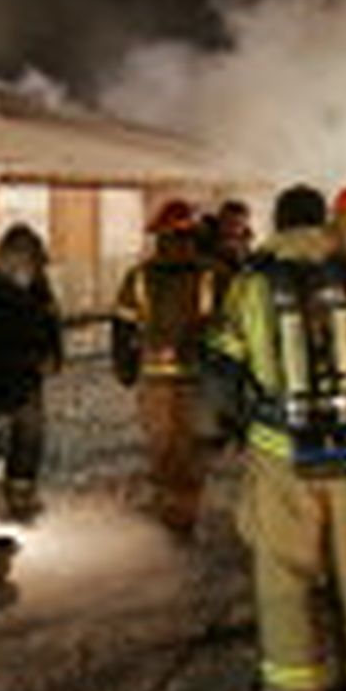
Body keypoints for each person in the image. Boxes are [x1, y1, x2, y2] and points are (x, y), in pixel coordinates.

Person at [207, 183, 346, 691]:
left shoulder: (251, 283)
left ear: (278, 222)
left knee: (285, 571)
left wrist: (237, 425)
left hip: (281, 453)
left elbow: (222, 369)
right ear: (324, 222)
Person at [112, 199, 220, 538]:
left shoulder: (139, 276)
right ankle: (182, 514)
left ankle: (173, 512)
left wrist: (125, 366)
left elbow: (122, 327)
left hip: (156, 380)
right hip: (195, 380)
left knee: (164, 448)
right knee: (188, 450)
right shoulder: (212, 274)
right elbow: (228, 328)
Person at [0, 223, 64, 524]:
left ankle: (20, 498)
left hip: (27, 379)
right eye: (24, 261)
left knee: (30, 437)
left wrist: (53, 356)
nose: (28, 269)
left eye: (32, 262)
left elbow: (51, 329)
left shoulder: (41, 295)